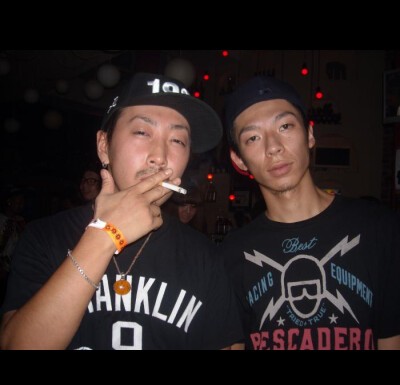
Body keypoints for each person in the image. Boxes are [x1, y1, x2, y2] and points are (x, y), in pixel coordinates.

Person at [0, 72, 243, 350]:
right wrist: (105, 235)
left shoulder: (206, 257)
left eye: (178, 140)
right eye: (142, 132)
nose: (160, 157)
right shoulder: (44, 237)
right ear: (104, 146)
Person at [220, 75, 400, 350]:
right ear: (239, 160)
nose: (273, 147)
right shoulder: (231, 254)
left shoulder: (380, 228)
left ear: (310, 135)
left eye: (285, 126)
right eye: (253, 137)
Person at [0, 187, 26, 304]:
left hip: (14, 268)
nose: (20, 205)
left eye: (22, 202)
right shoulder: (2, 220)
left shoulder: (20, 221)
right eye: (17, 202)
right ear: (9, 202)